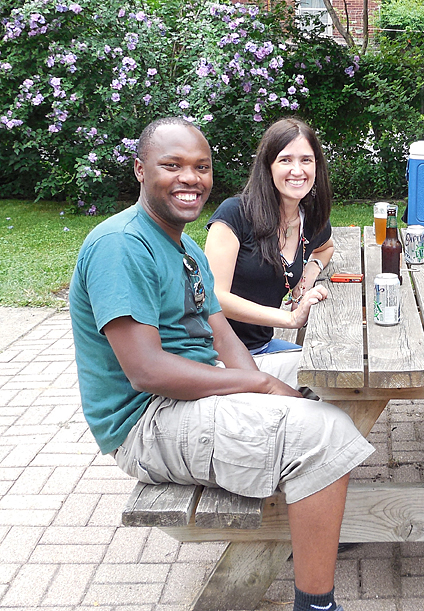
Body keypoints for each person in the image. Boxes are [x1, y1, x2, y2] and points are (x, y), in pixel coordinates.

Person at [69, 117, 374, 611]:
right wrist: (260, 387)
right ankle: (316, 603)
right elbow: (147, 372)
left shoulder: (185, 245)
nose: (190, 178)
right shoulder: (120, 245)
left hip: (195, 387)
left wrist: (256, 380)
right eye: (173, 166)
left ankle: (312, 515)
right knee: (323, 432)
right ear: (140, 170)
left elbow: (220, 330)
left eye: (202, 167)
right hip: (146, 419)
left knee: (334, 375)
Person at [204, 117, 333, 372]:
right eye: (286, 160)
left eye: (306, 160)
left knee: (333, 364)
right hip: (215, 357)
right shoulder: (235, 214)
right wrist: (291, 318)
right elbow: (214, 297)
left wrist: (304, 280)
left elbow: (325, 248)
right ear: (268, 166)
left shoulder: (310, 221)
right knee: (326, 376)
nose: (298, 170)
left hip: (262, 347)